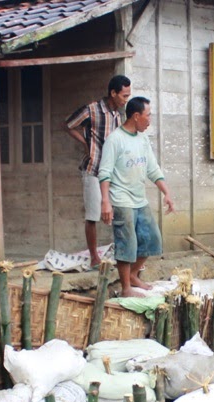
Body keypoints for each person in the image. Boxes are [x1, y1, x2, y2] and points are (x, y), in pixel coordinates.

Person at [98, 97, 175, 297]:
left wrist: (166, 192)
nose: (149, 120)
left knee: (152, 239)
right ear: (136, 116)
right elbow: (104, 172)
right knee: (127, 244)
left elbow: (152, 168)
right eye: (147, 115)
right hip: (121, 199)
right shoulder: (115, 140)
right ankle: (126, 289)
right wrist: (105, 201)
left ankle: (132, 275)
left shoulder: (142, 139)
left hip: (139, 199)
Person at [65, 75, 132, 269]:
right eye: (124, 95)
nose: (125, 100)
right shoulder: (92, 109)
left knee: (119, 212)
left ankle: (121, 254)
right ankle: (94, 257)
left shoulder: (118, 116)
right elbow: (68, 125)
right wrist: (85, 142)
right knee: (93, 215)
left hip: (111, 172)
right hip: (93, 168)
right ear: (113, 93)